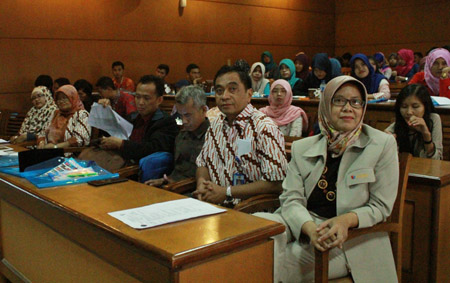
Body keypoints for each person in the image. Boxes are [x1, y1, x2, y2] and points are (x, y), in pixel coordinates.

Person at [256, 75, 399, 282]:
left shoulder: (381, 144)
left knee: (274, 264)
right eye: (339, 100)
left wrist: (346, 220)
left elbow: (381, 206)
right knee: (256, 235)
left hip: (348, 238)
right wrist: (309, 229)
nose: (348, 108)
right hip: (305, 224)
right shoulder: (302, 147)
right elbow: (291, 198)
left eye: (356, 102)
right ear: (325, 104)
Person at [194, 65, 287, 207]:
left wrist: (227, 192)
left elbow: (276, 183)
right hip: (212, 205)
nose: (224, 96)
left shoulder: (264, 128)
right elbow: (202, 163)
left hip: (250, 210)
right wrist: (202, 184)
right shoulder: (216, 124)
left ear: (249, 94)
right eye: (219, 90)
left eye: (232, 89)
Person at [99, 75, 179, 162]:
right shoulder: (133, 117)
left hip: (142, 170)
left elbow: (152, 150)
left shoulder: (166, 122)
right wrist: (105, 112)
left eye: (146, 98)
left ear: (159, 100)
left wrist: (122, 144)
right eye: (137, 97)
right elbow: (113, 134)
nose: (140, 102)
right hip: (122, 161)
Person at [144, 85, 209, 186]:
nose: (184, 121)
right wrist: (164, 180)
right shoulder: (181, 135)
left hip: (192, 190)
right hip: (173, 185)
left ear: (204, 110)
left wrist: (174, 184)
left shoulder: (213, 137)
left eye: (188, 115)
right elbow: (177, 171)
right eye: (180, 116)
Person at [385, 84, 442, 160]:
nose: (409, 112)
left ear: (425, 106)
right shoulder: (399, 122)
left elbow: (437, 160)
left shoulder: (433, 119)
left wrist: (426, 134)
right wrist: (388, 143)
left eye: (415, 107)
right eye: (404, 107)